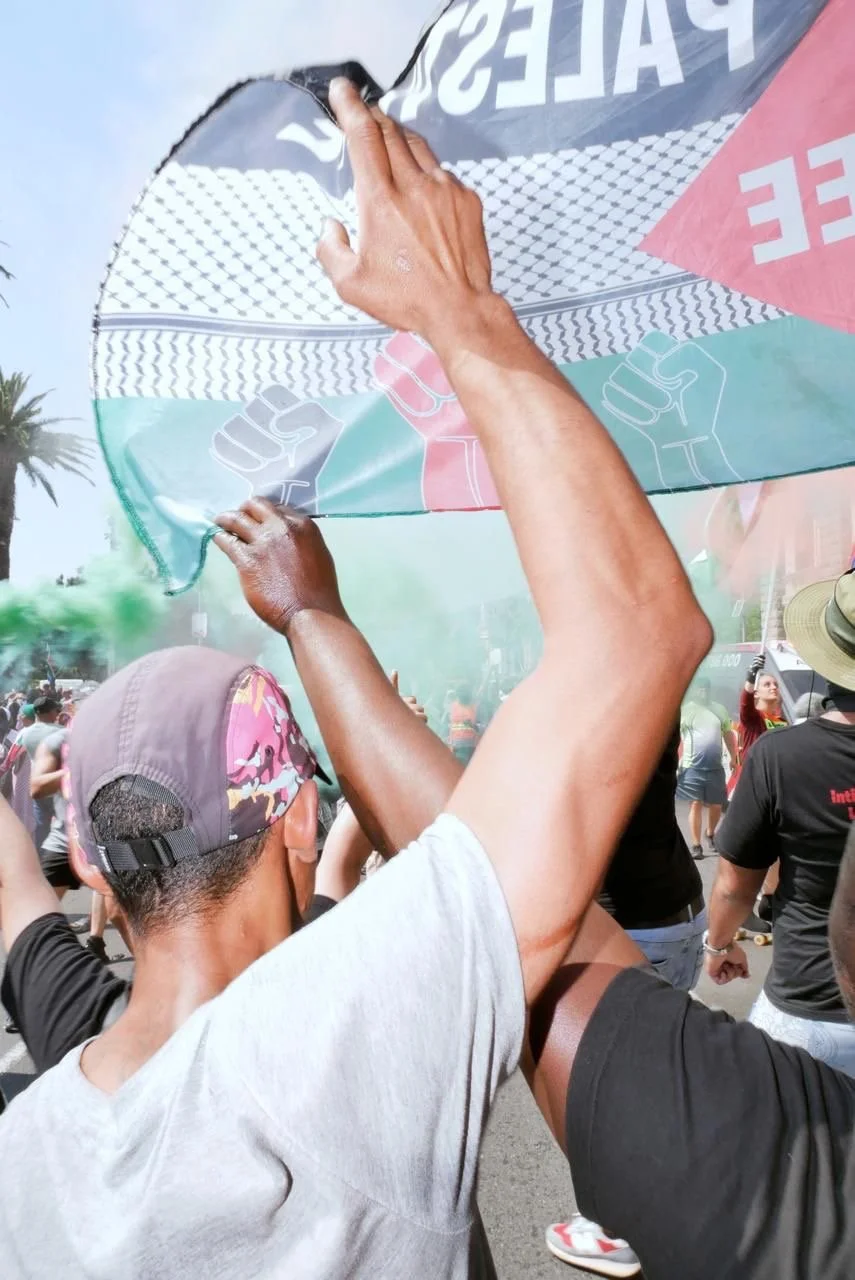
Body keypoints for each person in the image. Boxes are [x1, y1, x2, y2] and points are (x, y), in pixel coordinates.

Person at [0, 80, 710, 1277]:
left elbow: (19, 901)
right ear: (295, 813)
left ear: (95, 873)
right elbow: (640, 629)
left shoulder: (27, 1142)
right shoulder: (356, 1039)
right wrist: (460, 310)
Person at [207, 92, 855, 1275]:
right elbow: (638, 656)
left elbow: (493, 872)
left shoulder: (785, 1171)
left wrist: (311, 616)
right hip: (649, 928)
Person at [546, 724, 705, 1276]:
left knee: (615, 1081)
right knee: (659, 1070)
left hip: (636, 931)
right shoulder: (653, 711)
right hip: (682, 914)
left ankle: (616, 1227)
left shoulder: (593, 738)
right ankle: (669, 1195)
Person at [706, 568, 855, 1077]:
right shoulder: (766, 739)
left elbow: (731, 888)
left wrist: (719, 946)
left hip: (808, 1010)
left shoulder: (780, 755)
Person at [676, 675, 737, 858]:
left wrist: (734, 757)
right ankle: (696, 845)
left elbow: (727, 734)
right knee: (695, 804)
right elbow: (676, 738)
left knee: (716, 805)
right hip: (691, 766)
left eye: (706, 688)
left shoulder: (719, 710)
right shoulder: (685, 711)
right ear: (694, 691)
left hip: (715, 766)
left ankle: (710, 833)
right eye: (699, 688)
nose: (703, 692)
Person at [18, 695, 61, 849]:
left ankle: (42, 858)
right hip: (55, 787)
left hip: (36, 785)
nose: (57, 714)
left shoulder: (26, 733)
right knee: (63, 827)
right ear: (49, 713)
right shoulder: (59, 731)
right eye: (55, 711)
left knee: (42, 827)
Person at [445, 683, 480, 764]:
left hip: (471, 746)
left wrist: (474, 726)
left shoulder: (475, 706)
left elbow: (485, 726)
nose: (462, 697)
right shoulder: (453, 706)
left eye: (464, 695)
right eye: (460, 695)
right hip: (456, 745)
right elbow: (451, 724)